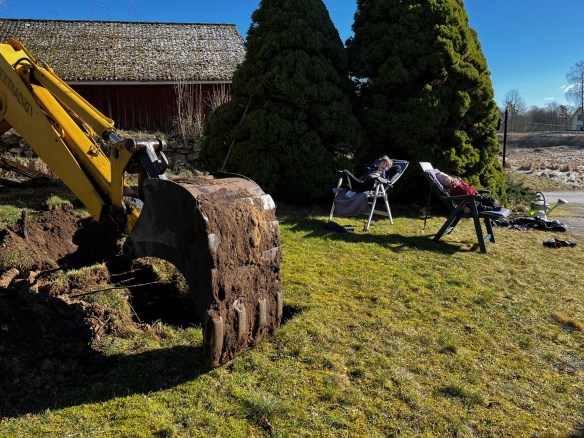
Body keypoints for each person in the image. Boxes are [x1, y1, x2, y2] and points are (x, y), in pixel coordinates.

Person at [434, 170, 499, 211]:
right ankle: (487, 209)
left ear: (449, 176)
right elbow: (456, 200)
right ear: (443, 184)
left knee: (490, 200)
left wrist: (476, 193)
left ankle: (495, 211)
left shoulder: (459, 181)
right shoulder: (450, 190)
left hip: (475, 196)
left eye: (446, 176)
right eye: (443, 180)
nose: (446, 179)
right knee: (476, 205)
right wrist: (464, 207)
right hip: (467, 202)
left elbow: (469, 188)